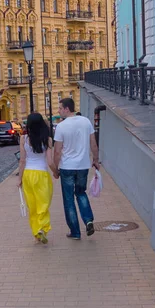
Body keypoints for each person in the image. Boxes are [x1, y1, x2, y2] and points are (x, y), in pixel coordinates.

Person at [53, 98, 99, 240]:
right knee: (81, 193)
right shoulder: (86, 121)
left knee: (68, 200)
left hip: (67, 167)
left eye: (60, 108)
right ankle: (88, 220)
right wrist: (96, 160)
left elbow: (57, 151)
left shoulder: (61, 127)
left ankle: (75, 232)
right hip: (83, 166)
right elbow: (93, 143)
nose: (59, 111)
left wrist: (55, 169)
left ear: (67, 109)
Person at [18, 112, 57, 244]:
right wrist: (56, 173)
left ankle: (36, 232)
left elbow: (22, 161)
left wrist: (19, 179)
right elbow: (50, 162)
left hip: (28, 174)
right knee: (43, 204)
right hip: (41, 175)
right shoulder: (47, 139)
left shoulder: (23, 139)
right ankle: (42, 228)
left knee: (32, 205)